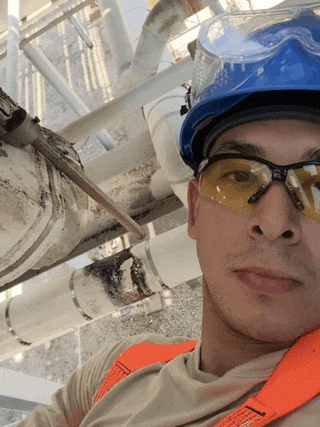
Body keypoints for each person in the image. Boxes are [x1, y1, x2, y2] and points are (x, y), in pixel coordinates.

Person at [18, 4, 320, 426]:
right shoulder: (117, 371)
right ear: (195, 209)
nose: (273, 222)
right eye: (237, 176)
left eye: (317, 184)